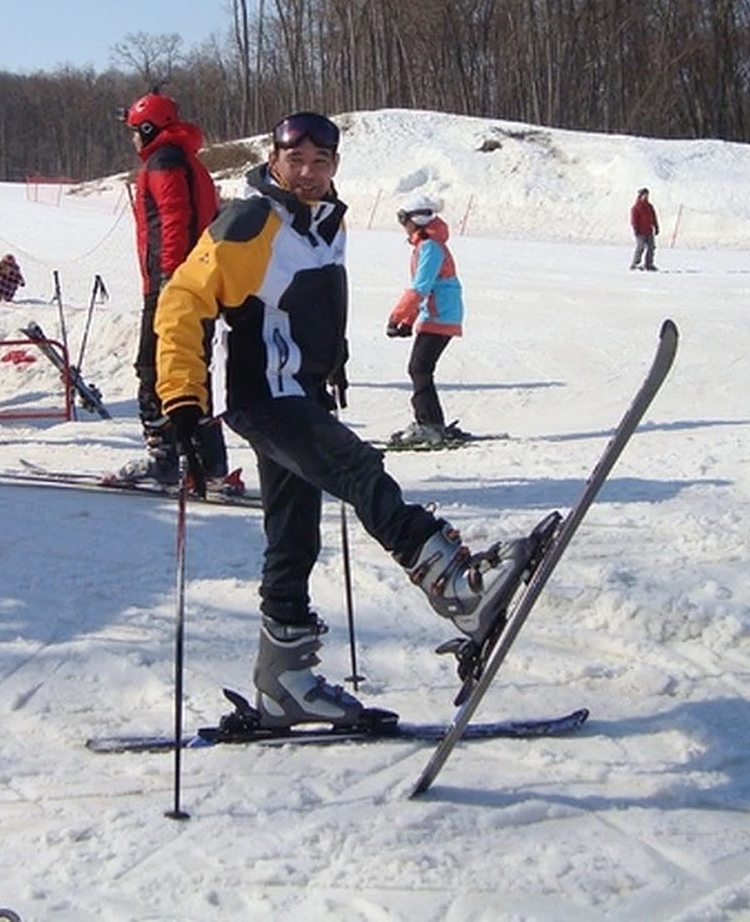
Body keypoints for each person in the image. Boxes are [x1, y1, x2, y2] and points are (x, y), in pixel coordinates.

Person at [154, 111, 538, 729]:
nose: (307, 173)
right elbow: (184, 299)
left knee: (294, 535)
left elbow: (309, 299)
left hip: (301, 392)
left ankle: (286, 682)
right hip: (267, 398)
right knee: (360, 470)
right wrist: (181, 397)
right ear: (274, 161)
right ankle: (454, 587)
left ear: (335, 166)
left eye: (321, 162)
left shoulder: (323, 219)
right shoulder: (251, 220)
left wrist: (333, 364)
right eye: (295, 161)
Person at [119, 90, 230, 487]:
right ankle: (210, 464)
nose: (132, 139)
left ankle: (164, 456)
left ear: (149, 129)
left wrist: (168, 278)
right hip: (195, 282)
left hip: (173, 283)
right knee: (191, 372)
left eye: (135, 131)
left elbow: (174, 218)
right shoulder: (189, 162)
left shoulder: (163, 161)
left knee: (152, 369)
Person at [386, 194, 465, 447]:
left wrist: (398, 316)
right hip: (437, 313)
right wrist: (408, 322)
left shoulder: (430, 246)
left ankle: (429, 426)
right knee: (421, 368)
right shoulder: (427, 244)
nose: (402, 225)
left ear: (416, 220)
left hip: (441, 314)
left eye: (403, 219)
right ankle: (432, 423)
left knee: (419, 368)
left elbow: (421, 286)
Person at [630, 187, 659, 271]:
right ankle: (635, 263)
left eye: (647, 195)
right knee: (640, 247)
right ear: (640, 196)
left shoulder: (649, 207)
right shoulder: (636, 207)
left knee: (651, 247)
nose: (646, 197)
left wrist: (656, 227)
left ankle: (649, 264)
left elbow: (654, 217)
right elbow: (634, 219)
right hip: (640, 232)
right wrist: (636, 229)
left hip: (649, 231)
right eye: (644, 195)